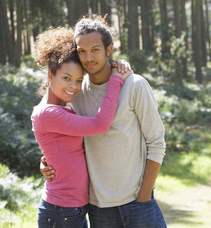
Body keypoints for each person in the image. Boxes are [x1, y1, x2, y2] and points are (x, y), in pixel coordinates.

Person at [41, 15, 167, 227]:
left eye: (95, 49)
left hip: (138, 203)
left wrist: (144, 195)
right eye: (82, 51)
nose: (88, 57)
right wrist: (44, 162)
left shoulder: (134, 85)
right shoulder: (75, 92)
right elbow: (60, 137)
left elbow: (156, 142)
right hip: (98, 209)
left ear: (109, 50)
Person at [31, 26, 132, 227]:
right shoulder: (48, 113)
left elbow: (64, 150)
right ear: (51, 76)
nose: (74, 87)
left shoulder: (65, 107)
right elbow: (100, 124)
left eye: (79, 80)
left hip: (70, 209)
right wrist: (116, 79)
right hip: (61, 211)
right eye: (66, 78)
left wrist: (46, 161)